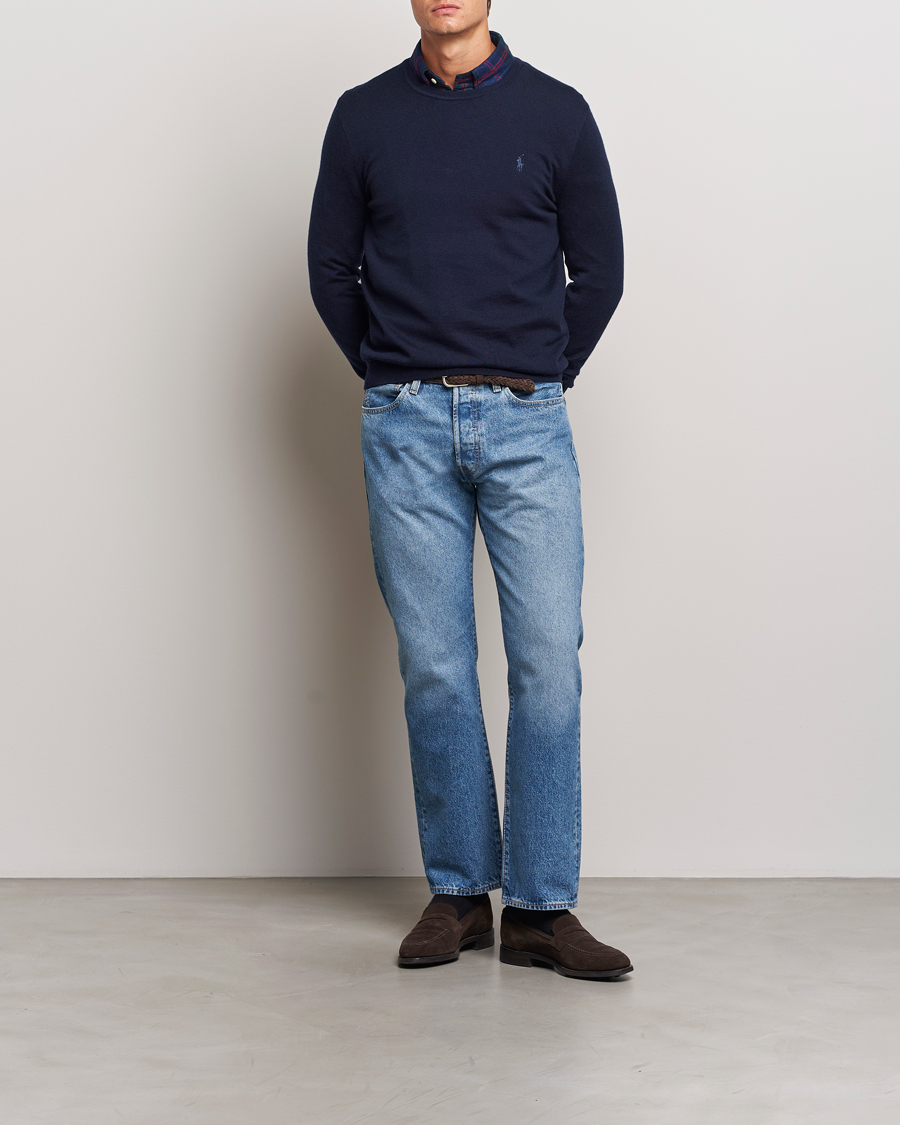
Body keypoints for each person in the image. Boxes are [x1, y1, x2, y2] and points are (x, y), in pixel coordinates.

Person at [308, 0, 632, 980]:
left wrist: (541, 371)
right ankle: (459, 894)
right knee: (438, 668)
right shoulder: (363, 116)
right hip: (404, 424)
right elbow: (330, 269)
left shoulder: (557, 113)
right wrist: (390, 374)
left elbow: (602, 271)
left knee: (548, 660)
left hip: (529, 422)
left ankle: (539, 907)